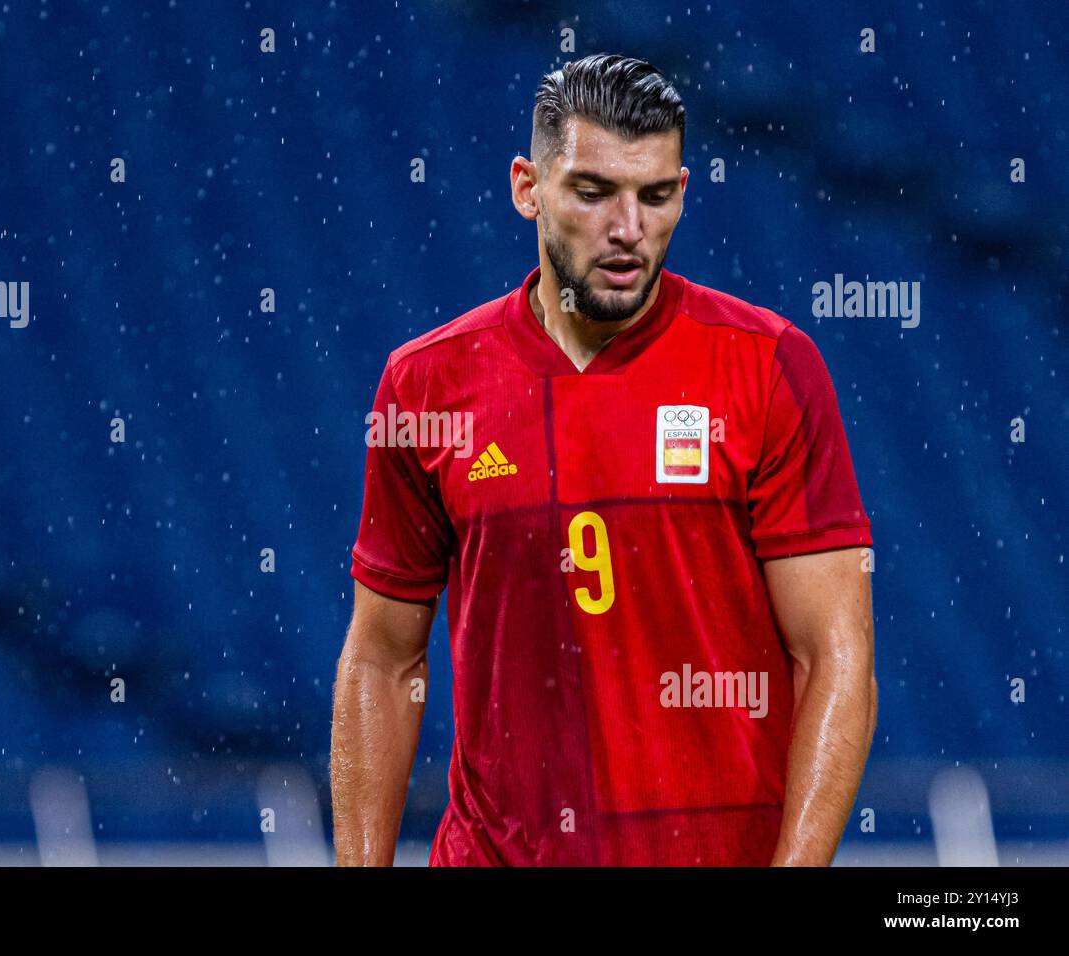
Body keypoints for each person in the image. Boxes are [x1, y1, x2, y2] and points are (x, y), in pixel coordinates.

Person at [331, 53, 876, 866]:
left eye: (655, 196)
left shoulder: (769, 367)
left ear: (682, 192)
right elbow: (382, 656)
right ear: (528, 188)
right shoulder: (428, 386)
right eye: (593, 193)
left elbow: (836, 655)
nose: (628, 229)